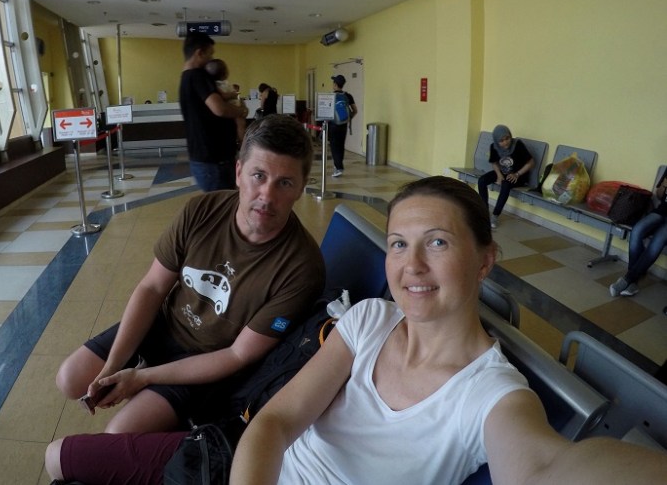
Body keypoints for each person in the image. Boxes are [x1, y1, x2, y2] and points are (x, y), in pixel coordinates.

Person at [230, 176, 667, 484]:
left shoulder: (489, 395)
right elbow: (277, 422)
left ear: (485, 261)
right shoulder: (369, 319)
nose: (412, 265)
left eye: (437, 242)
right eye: (399, 244)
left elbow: (544, 469)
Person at [50, 115, 325, 477]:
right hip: (165, 325)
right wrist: (114, 365)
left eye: (284, 182)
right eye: (258, 175)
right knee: (70, 378)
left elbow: (238, 354)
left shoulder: (302, 267)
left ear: (301, 187)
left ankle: (164, 409)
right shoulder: (202, 211)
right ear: (238, 172)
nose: (267, 196)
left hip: (209, 360)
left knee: (118, 434)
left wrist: (143, 378)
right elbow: (152, 288)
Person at [179, 32, 249, 192]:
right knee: (222, 203)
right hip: (214, 159)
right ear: (199, 53)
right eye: (210, 54)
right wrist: (241, 111)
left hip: (204, 157)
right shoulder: (198, 76)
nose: (211, 59)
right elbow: (220, 108)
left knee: (221, 201)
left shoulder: (186, 78)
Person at [609, 169, 667, 297]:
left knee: (658, 240)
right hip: (662, 211)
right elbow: (659, 195)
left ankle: (628, 279)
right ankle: (633, 281)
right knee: (637, 230)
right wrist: (664, 186)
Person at [477, 124, 534, 229]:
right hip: (503, 172)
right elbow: (494, 162)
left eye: (507, 138)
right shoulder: (494, 147)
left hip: (518, 175)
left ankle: (495, 215)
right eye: (501, 141)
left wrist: (517, 174)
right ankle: (484, 212)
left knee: (506, 184)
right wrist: (499, 175)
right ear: (497, 141)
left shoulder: (518, 145)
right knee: (482, 180)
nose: (505, 142)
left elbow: (531, 163)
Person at [205, 58, 245, 145]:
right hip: (233, 106)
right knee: (240, 123)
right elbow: (222, 96)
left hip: (232, 107)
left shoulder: (215, 85)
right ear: (225, 74)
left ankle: (242, 141)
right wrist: (233, 94)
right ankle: (242, 141)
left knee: (239, 123)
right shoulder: (219, 85)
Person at [326, 74, 357, 178]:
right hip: (344, 125)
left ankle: (339, 168)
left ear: (335, 84)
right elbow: (355, 110)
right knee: (341, 145)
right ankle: (338, 166)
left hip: (333, 125)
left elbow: (327, 111)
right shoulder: (348, 96)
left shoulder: (330, 96)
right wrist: (348, 118)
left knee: (334, 146)